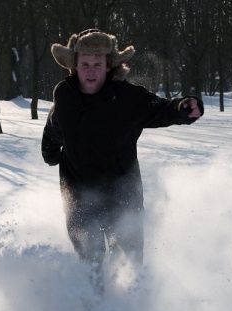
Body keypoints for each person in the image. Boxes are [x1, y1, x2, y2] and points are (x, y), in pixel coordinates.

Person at [41, 29, 203, 297]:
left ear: (109, 66)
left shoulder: (127, 97)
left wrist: (183, 108)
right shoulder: (65, 95)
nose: (91, 71)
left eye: (97, 65)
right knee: (90, 261)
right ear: (74, 66)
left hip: (122, 193)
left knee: (130, 260)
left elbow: (160, 108)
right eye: (85, 64)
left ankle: (133, 308)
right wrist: (50, 151)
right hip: (78, 192)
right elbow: (55, 125)